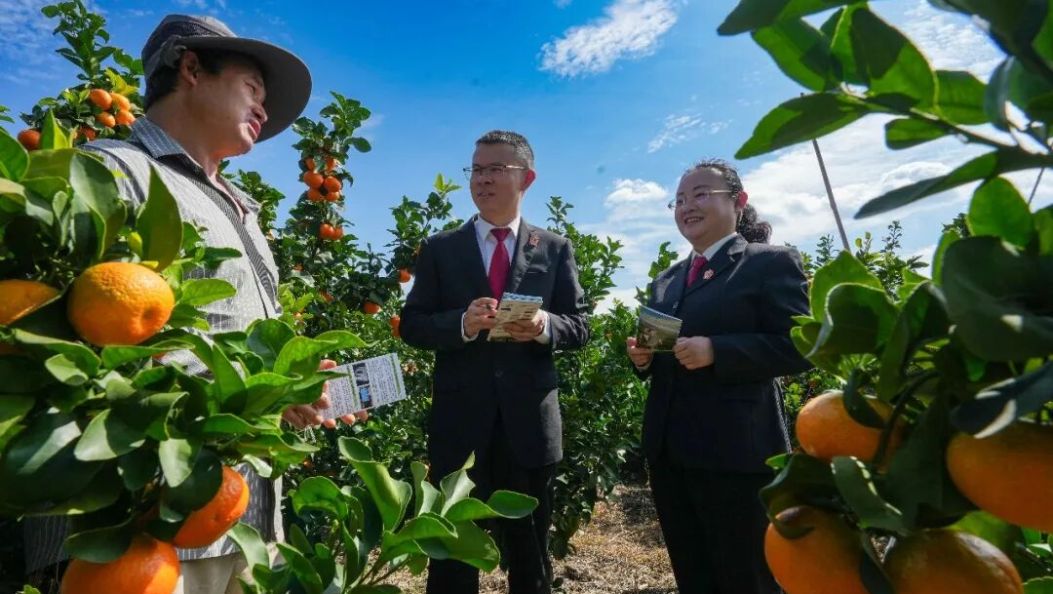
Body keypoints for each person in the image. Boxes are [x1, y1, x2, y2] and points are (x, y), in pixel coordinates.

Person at [23, 14, 363, 594]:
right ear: (191, 68)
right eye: (253, 88)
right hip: (137, 530)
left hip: (242, 518)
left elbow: (228, 344)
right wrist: (255, 393)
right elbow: (65, 352)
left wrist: (288, 388)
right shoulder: (112, 171)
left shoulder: (244, 208)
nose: (263, 109)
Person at [400, 130, 590, 594]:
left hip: (529, 425)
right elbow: (412, 324)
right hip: (460, 425)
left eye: (496, 169)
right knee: (451, 553)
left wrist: (544, 325)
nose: (482, 179)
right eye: (477, 169)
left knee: (530, 555)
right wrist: (462, 324)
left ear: (527, 178)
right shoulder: (442, 248)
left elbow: (580, 325)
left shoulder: (554, 247)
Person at [626, 159, 811, 594]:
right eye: (679, 199)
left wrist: (718, 351)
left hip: (737, 453)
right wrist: (644, 360)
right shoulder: (667, 280)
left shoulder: (769, 263)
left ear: (738, 201)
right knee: (694, 574)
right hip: (671, 452)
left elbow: (800, 346)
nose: (687, 206)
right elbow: (665, 353)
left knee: (747, 577)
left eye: (700, 195)